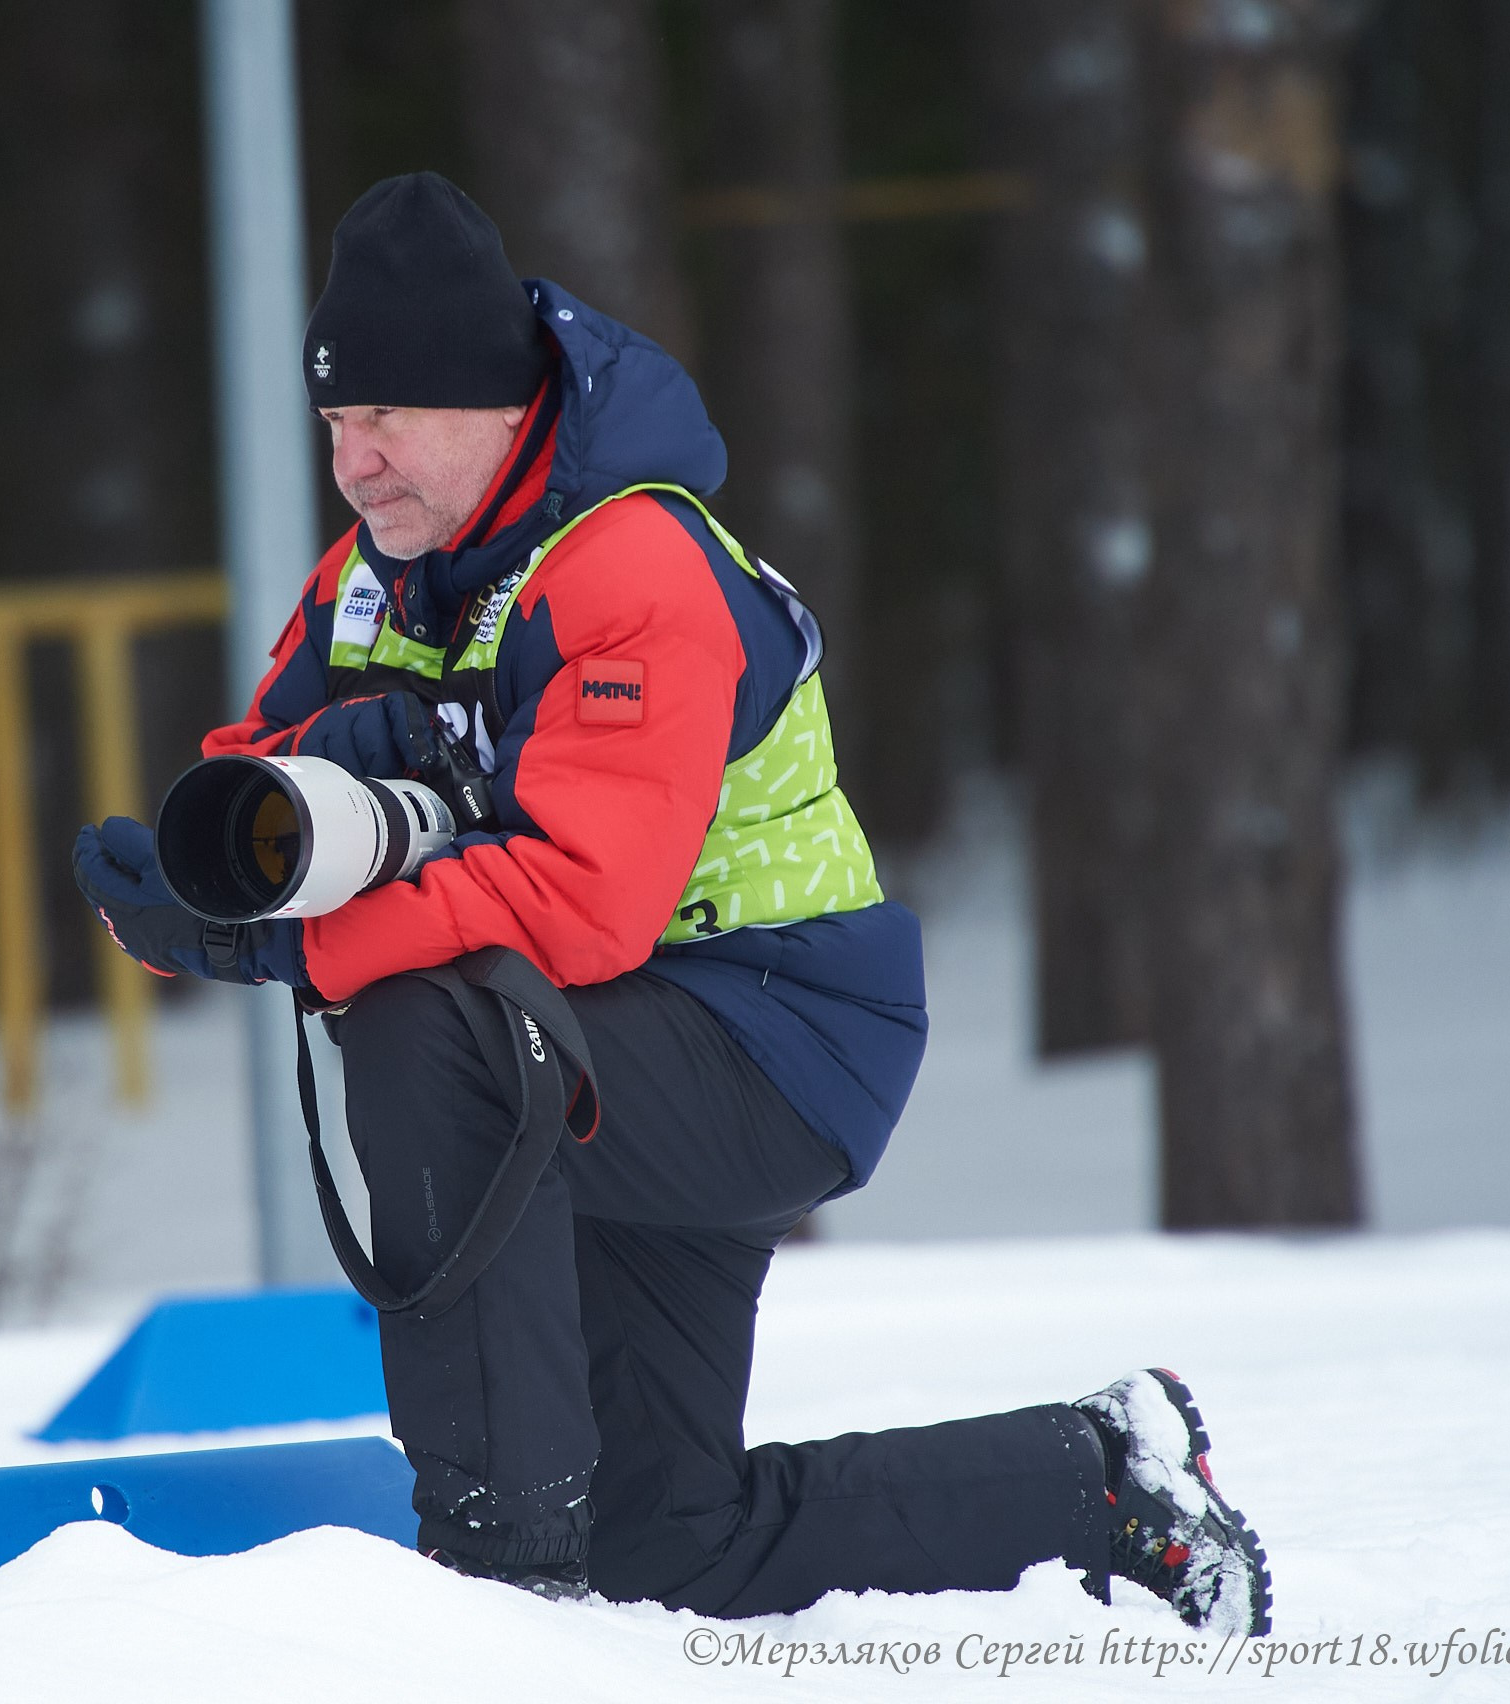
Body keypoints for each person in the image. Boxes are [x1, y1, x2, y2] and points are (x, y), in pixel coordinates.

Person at [72, 171, 1271, 1632]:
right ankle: (1103, 1476)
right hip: (593, 1056)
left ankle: (498, 1555)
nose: (356, 464)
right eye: (334, 424)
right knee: (668, 1539)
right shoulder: (371, 583)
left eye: (385, 418)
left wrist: (301, 945)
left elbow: (585, 903)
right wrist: (210, 895)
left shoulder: (636, 564)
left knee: (417, 1021)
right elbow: (254, 772)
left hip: (775, 1039)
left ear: (495, 404)